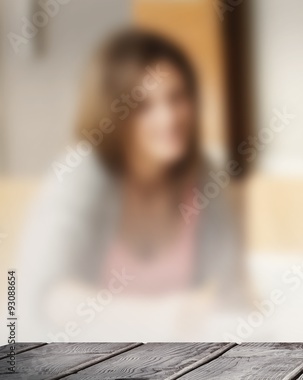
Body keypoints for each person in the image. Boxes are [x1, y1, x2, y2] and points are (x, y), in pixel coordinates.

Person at [21, 29, 246, 339]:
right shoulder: (80, 173)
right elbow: (44, 296)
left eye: (176, 97)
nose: (168, 117)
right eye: (143, 106)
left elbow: (231, 293)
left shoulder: (206, 176)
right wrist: (159, 318)